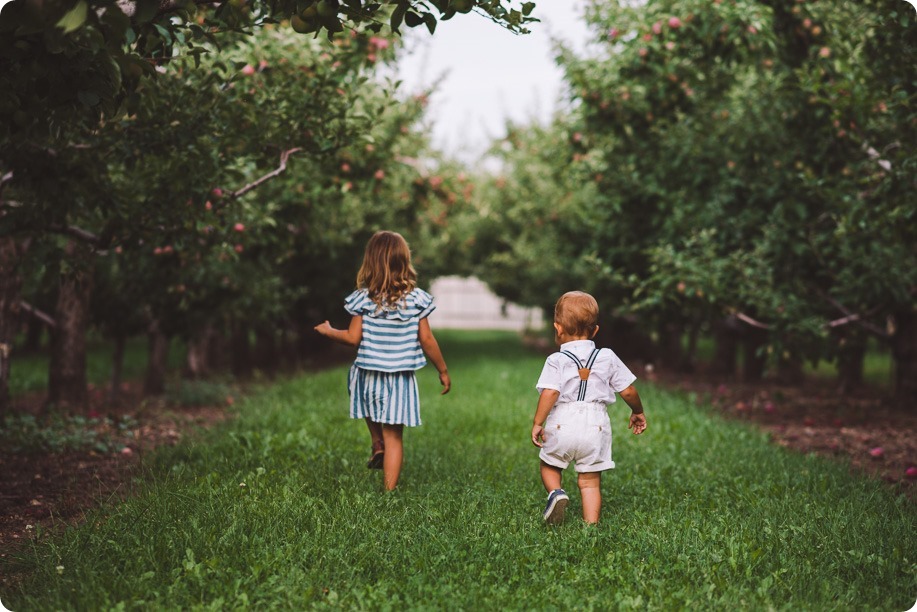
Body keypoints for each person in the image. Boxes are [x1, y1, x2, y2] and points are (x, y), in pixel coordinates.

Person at [314, 230, 450, 491]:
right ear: (404, 261)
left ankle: (376, 442)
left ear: (370, 261)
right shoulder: (416, 299)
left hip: (367, 374)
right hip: (399, 377)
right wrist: (442, 370)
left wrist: (329, 331)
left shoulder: (365, 298)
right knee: (395, 437)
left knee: (366, 400)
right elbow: (428, 340)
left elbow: (353, 338)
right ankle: (388, 492)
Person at [531, 291, 647, 525]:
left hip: (562, 421)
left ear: (558, 328)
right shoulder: (607, 356)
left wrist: (538, 423)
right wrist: (637, 411)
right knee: (590, 481)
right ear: (595, 331)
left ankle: (556, 493)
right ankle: (591, 526)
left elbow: (551, 393)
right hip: (596, 425)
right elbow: (628, 390)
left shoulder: (556, 360)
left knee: (550, 464)